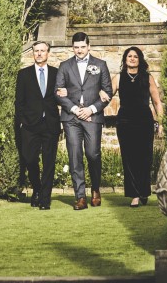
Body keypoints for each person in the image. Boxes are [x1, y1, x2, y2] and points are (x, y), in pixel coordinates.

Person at [55, 32, 113, 210]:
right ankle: (80, 197)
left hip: (92, 116)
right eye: (76, 47)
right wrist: (74, 109)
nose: (79, 50)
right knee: (75, 156)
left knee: (92, 154)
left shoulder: (100, 65)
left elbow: (107, 92)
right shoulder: (64, 66)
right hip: (71, 117)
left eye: (82, 47)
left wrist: (90, 109)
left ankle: (95, 189)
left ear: (89, 46)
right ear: (73, 48)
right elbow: (57, 92)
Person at [111, 45, 164, 208]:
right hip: (125, 122)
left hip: (144, 121)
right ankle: (134, 195)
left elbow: (156, 102)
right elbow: (105, 96)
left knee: (144, 158)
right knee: (129, 158)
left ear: (140, 60)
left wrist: (160, 123)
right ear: (125, 60)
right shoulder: (118, 78)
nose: (132, 58)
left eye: (135, 56)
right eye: (129, 56)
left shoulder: (147, 78)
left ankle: (144, 191)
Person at [14, 41, 61, 210]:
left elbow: (62, 96)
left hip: (50, 123)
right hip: (29, 125)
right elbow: (19, 102)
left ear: (48, 53)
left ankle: (45, 199)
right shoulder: (24, 74)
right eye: (36, 51)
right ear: (32, 53)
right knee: (29, 158)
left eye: (42, 51)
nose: (39, 53)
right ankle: (37, 188)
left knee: (49, 162)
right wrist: (21, 122)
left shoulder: (57, 73)